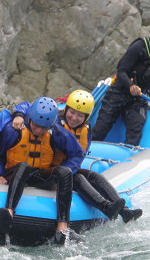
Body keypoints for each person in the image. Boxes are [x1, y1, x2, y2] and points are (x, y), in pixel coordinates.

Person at [0, 97, 85, 245]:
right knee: (24, 166)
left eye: (44, 128)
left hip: (39, 176)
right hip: (14, 174)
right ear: (30, 119)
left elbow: (78, 154)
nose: (39, 131)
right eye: (36, 126)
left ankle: (62, 226)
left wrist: (60, 179)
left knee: (65, 172)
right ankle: (9, 211)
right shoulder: (13, 130)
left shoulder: (56, 132)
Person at [92, 15, 150, 146]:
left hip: (139, 98)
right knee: (101, 129)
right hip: (119, 92)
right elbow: (121, 71)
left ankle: (129, 154)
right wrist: (130, 85)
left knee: (135, 133)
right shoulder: (139, 47)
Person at [58, 90, 143, 223]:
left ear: (86, 117)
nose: (74, 118)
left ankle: (125, 212)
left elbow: (80, 155)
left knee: (96, 177)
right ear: (66, 109)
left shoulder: (85, 129)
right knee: (78, 178)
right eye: (72, 112)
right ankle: (106, 207)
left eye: (80, 115)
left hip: (67, 168)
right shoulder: (54, 123)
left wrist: (70, 169)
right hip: (51, 171)